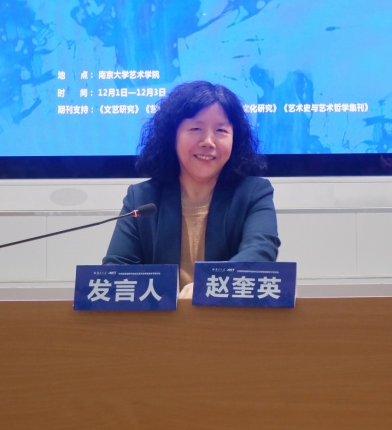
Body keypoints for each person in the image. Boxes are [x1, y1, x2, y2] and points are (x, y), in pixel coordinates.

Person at [103, 81, 280, 296]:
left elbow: (260, 252)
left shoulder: (254, 193)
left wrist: (208, 287)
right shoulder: (141, 198)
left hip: (229, 315)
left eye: (221, 130)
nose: (208, 141)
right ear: (172, 136)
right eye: (196, 129)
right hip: (160, 316)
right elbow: (116, 270)